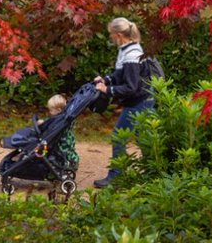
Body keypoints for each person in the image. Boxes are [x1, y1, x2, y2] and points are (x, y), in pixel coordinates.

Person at [91, 16, 154, 188]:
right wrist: (105, 80)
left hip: (140, 101)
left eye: (111, 34)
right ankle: (152, 174)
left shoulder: (132, 54)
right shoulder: (126, 49)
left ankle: (117, 177)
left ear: (118, 35)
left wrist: (108, 90)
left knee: (119, 136)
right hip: (141, 100)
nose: (110, 37)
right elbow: (120, 75)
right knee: (144, 138)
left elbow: (131, 87)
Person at [42, 93, 79, 173]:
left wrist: (43, 122)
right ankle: (70, 162)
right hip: (67, 138)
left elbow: (51, 123)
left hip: (63, 141)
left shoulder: (62, 119)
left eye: (51, 110)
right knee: (67, 152)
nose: (50, 112)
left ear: (58, 110)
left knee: (63, 154)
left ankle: (66, 166)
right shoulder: (62, 118)